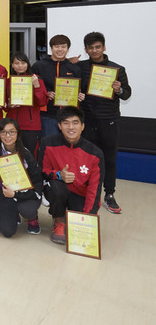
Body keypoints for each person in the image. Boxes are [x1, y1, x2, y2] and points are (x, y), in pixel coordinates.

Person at [77, 31, 131, 214]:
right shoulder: (81, 67)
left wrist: (119, 89)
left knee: (109, 159)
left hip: (109, 120)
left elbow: (127, 93)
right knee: (86, 159)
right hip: (87, 121)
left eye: (97, 47)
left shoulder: (117, 69)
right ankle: (86, 192)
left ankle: (109, 194)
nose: (94, 50)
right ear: (86, 50)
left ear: (104, 47)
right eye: (90, 47)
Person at [37, 106, 104, 244]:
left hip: (80, 195)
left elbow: (94, 189)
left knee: (80, 224)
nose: (71, 127)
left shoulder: (95, 153)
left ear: (83, 126)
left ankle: (75, 217)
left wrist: (88, 218)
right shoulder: (47, 143)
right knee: (55, 187)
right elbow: (42, 172)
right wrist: (59, 175)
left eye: (75, 122)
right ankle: (59, 220)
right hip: (59, 190)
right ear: (59, 126)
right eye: (66, 123)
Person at [0, 118, 42, 237]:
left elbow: (37, 186)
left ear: (18, 133)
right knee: (7, 232)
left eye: (12, 132)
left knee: (27, 211)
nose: (7, 135)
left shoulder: (26, 155)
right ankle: (14, 212)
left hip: (27, 194)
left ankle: (32, 218)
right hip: (7, 194)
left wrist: (16, 195)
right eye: (3, 132)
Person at [31, 34, 82, 138]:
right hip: (48, 115)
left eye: (63, 47)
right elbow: (32, 90)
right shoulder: (39, 66)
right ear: (51, 48)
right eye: (56, 46)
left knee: (68, 148)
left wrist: (80, 96)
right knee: (49, 147)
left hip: (69, 116)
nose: (60, 50)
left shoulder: (74, 68)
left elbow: (79, 89)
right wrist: (46, 94)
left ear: (68, 49)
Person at [5, 52, 48, 156]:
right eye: (17, 63)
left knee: (30, 155)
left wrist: (36, 86)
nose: (20, 66)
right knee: (12, 154)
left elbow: (42, 102)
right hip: (12, 124)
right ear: (12, 65)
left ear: (28, 64)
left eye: (23, 63)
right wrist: (9, 105)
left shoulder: (36, 79)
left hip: (31, 126)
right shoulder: (8, 81)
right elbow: (5, 105)